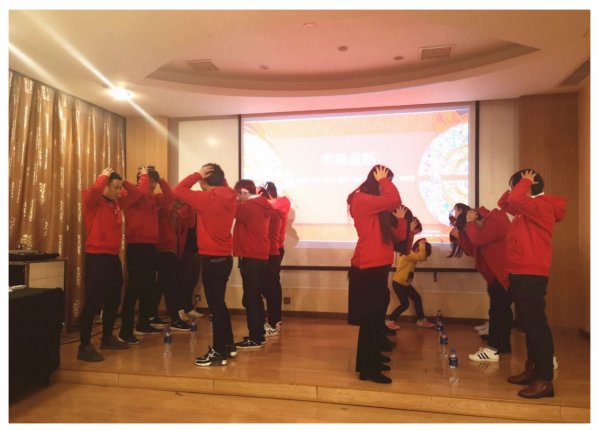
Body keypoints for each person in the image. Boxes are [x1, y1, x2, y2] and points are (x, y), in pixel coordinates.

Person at [498, 169, 566, 399]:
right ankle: (533, 370)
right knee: (528, 324)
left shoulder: (542, 205)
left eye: (514, 186)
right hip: (519, 271)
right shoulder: (526, 208)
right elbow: (504, 203)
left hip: (530, 272)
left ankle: (544, 379)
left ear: (528, 186)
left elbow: (514, 199)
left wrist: (525, 181)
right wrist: (516, 185)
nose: (511, 191)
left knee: (536, 325)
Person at [174, 163, 238, 367]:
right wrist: (211, 176)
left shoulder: (206, 198)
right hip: (225, 258)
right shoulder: (230, 195)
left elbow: (178, 190)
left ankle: (218, 352)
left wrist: (196, 174)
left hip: (212, 259)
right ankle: (228, 345)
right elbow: (223, 186)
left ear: (204, 181)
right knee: (220, 304)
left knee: (216, 307)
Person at [347, 165, 401, 384]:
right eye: (386, 180)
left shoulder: (373, 203)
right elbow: (394, 198)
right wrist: (384, 180)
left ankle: (372, 361)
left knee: (376, 318)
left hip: (377, 265)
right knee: (370, 320)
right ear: (376, 180)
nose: (388, 185)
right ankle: (367, 369)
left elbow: (393, 205)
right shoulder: (361, 199)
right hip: (369, 267)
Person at [449, 204, 513, 363]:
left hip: (504, 275)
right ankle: (502, 345)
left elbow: (478, 239)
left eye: (471, 227)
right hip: (497, 276)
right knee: (500, 311)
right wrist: (462, 236)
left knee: (499, 312)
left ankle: (492, 349)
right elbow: (473, 250)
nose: (471, 230)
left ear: (476, 217)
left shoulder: (496, 221)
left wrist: (470, 222)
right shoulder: (485, 224)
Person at [118, 166, 175, 344]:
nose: (153, 184)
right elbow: (140, 193)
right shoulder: (129, 194)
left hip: (151, 246)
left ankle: (143, 324)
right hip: (136, 246)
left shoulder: (153, 198)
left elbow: (170, 197)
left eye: (155, 182)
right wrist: (143, 175)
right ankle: (125, 331)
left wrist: (162, 179)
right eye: (150, 181)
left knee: (149, 287)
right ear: (141, 180)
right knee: (134, 288)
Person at [78, 168, 130, 362]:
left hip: (112, 257)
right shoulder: (92, 201)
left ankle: (107, 337)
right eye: (116, 187)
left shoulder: (116, 203)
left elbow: (135, 194)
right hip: (96, 257)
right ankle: (84, 346)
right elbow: (94, 192)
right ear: (105, 186)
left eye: (120, 188)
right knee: (93, 302)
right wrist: (102, 177)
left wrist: (127, 182)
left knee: (114, 299)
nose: (119, 191)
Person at [232, 180, 272, 349]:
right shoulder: (262, 204)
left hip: (251, 256)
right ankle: (259, 334)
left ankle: (255, 337)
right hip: (261, 255)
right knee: (255, 297)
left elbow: (232, 210)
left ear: (243, 192)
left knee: (251, 298)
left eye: (238, 194)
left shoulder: (249, 206)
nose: (237, 198)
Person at [154, 199, 192, 332]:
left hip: (173, 251)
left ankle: (151, 315)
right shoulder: (163, 211)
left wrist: (190, 204)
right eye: (179, 202)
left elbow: (190, 223)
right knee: (170, 285)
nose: (180, 206)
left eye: (182, 204)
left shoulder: (178, 214)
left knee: (162, 284)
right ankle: (175, 319)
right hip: (163, 250)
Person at [387, 237, 436, 329]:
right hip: (399, 283)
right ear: (418, 248)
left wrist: (422, 245)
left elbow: (423, 257)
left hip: (405, 284)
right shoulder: (408, 253)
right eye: (421, 250)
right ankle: (389, 321)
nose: (422, 252)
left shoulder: (412, 255)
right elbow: (422, 257)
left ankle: (421, 320)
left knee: (417, 298)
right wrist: (422, 244)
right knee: (405, 304)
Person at [257, 186, 285, 337]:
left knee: (270, 290)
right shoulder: (275, 210)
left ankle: (272, 323)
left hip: (269, 253)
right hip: (271, 252)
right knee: (271, 288)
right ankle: (274, 321)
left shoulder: (270, 211)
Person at [262, 181, 290, 330]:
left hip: (272, 249)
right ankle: (275, 317)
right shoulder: (281, 205)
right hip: (277, 247)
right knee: (273, 284)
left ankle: (273, 319)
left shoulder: (275, 207)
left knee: (270, 285)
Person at [176, 204, 204, 322]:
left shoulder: (202, 215)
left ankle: (188, 307)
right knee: (182, 281)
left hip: (197, 252)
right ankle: (180, 309)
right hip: (185, 251)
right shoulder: (183, 212)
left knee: (192, 281)